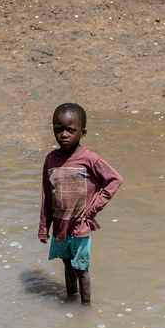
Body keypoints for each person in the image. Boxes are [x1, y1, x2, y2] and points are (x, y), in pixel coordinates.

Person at [38, 103, 122, 304]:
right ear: (53, 130)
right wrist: (43, 227)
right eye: (59, 130)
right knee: (67, 264)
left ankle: (85, 307)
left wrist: (94, 207)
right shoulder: (51, 160)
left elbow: (114, 179)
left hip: (81, 225)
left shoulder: (89, 159)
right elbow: (46, 195)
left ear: (82, 133)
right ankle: (70, 298)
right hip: (60, 225)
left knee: (82, 268)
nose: (64, 135)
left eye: (70, 130)